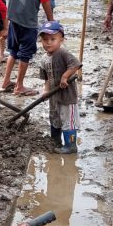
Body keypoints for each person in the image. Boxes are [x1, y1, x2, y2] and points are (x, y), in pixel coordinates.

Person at [37, 20, 80, 154]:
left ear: (61, 39)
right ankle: (55, 142)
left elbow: (76, 65)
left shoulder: (63, 53)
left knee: (68, 121)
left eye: (53, 39)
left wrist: (65, 77)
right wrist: (46, 91)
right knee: (55, 119)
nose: (48, 42)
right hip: (54, 97)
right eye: (45, 39)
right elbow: (46, 78)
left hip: (67, 97)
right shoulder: (44, 59)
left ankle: (71, 146)